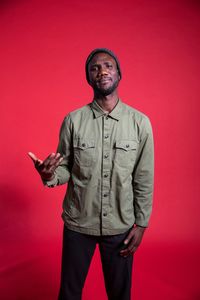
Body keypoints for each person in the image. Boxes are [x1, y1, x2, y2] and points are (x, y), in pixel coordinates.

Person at [28, 48, 154, 300]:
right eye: (95, 68)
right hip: (78, 223)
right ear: (89, 78)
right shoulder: (73, 120)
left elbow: (143, 178)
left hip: (120, 225)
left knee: (120, 294)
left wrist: (141, 224)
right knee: (69, 293)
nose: (102, 70)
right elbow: (64, 167)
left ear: (119, 74)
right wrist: (48, 175)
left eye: (108, 65)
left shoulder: (140, 123)